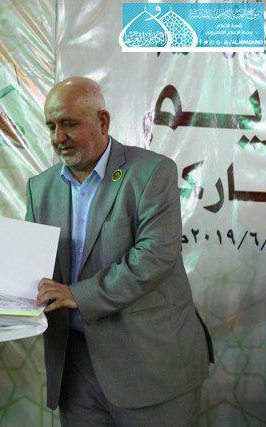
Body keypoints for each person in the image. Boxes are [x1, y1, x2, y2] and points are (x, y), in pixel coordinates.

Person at [25, 77, 214, 426]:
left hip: (150, 366)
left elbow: (154, 256)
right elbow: (31, 266)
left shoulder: (152, 173)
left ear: (103, 121)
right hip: (75, 369)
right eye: (51, 126)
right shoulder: (40, 188)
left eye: (69, 124)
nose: (58, 137)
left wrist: (77, 295)